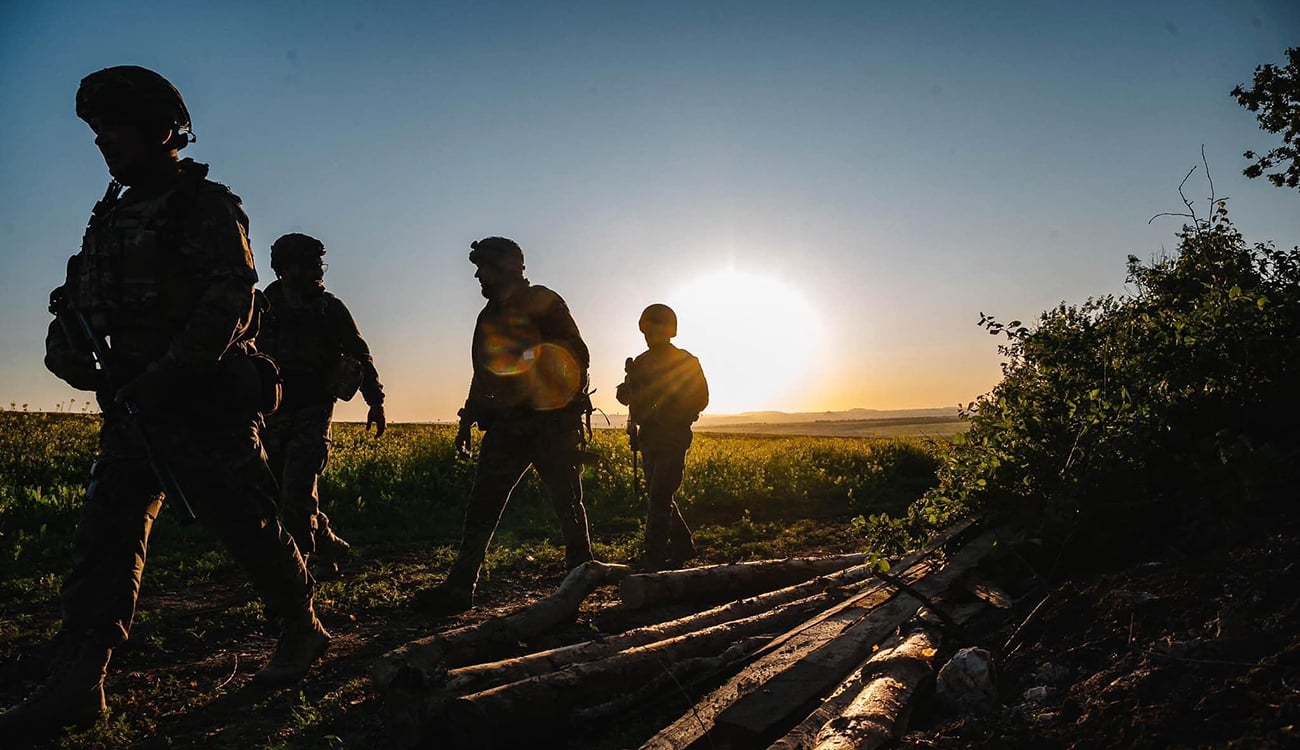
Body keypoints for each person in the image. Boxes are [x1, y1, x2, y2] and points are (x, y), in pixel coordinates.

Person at [0, 66, 329, 741]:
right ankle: (80, 676)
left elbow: (231, 302)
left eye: (113, 128)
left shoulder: (204, 206)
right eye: (95, 131)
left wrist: (169, 373)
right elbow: (77, 298)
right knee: (106, 535)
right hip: (132, 408)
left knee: (248, 526)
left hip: (204, 404)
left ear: (157, 128)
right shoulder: (110, 216)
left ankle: (301, 626)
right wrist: (65, 348)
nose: (102, 143)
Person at [414, 237, 595, 615]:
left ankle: (582, 583)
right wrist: (468, 418)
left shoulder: (545, 301)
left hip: (551, 426)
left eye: (484, 267)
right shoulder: (488, 315)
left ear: (508, 267)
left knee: (568, 505)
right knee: (482, 504)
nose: (478, 275)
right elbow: (483, 373)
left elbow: (577, 355)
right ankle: (461, 586)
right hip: (508, 426)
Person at [258, 232, 386, 580]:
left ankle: (297, 573)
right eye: (312, 262)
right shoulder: (261, 306)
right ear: (287, 267)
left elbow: (360, 353)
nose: (319, 269)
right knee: (274, 493)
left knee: (297, 491)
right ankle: (326, 541)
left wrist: (375, 401)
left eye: (320, 262)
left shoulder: (330, 308)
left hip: (314, 411)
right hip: (270, 414)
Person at [616, 304, 708, 570]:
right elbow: (626, 398)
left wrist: (669, 409)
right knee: (659, 495)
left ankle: (653, 558)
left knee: (659, 496)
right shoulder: (641, 362)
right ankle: (683, 546)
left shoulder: (685, 361)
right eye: (645, 329)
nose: (648, 334)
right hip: (649, 437)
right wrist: (629, 387)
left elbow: (700, 398)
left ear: (668, 329)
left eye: (653, 327)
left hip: (672, 436)